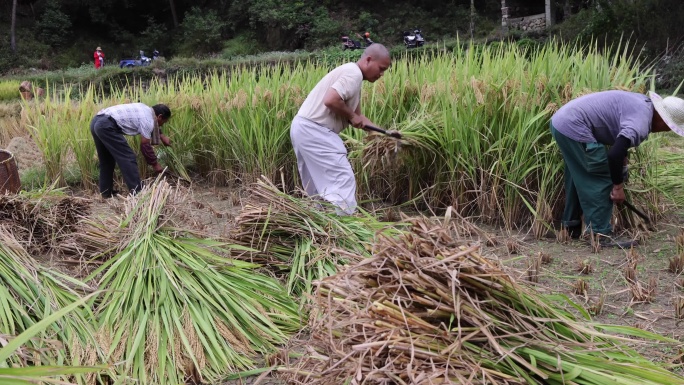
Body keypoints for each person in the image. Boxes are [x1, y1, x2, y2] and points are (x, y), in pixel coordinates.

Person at [550, 90, 684, 247]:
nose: (667, 131)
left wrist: (623, 168)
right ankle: (601, 235)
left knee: (578, 175)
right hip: (573, 125)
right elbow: (614, 155)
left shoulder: (643, 104)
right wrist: (618, 187)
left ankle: (571, 227)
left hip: (562, 122)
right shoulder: (641, 122)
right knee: (599, 175)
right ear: (663, 120)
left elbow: (620, 145)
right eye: (670, 127)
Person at [290, 44, 393, 215]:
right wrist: (352, 117)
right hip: (315, 130)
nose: (381, 74)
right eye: (381, 69)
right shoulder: (353, 73)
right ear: (368, 60)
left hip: (303, 128)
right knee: (342, 179)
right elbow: (331, 100)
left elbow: (359, 119)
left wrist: (386, 133)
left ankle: (320, 226)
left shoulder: (354, 78)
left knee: (316, 185)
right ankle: (342, 227)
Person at [90, 103, 172, 198]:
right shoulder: (148, 120)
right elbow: (145, 145)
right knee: (128, 157)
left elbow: (154, 125)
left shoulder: (145, 109)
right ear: (160, 117)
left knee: (106, 160)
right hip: (106, 125)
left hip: (96, 121)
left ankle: (106, 193)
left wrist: (162, 136)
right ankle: (137, 192)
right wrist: (155, 164)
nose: (162, 125)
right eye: (164, 122)